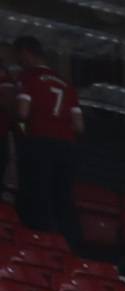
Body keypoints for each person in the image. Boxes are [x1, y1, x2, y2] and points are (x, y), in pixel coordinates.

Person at [12, 33, 80, 234]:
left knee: (36, 192)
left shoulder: (29, 77)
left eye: (18, 56)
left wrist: (20, 126)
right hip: (67, 146)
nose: (18, 61)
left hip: (39, 141)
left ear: (26, 53)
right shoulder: (67, 85)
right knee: (62, 195)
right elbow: (79, 125)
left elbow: (22, 112)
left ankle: (37, 239)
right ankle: (65, 244)